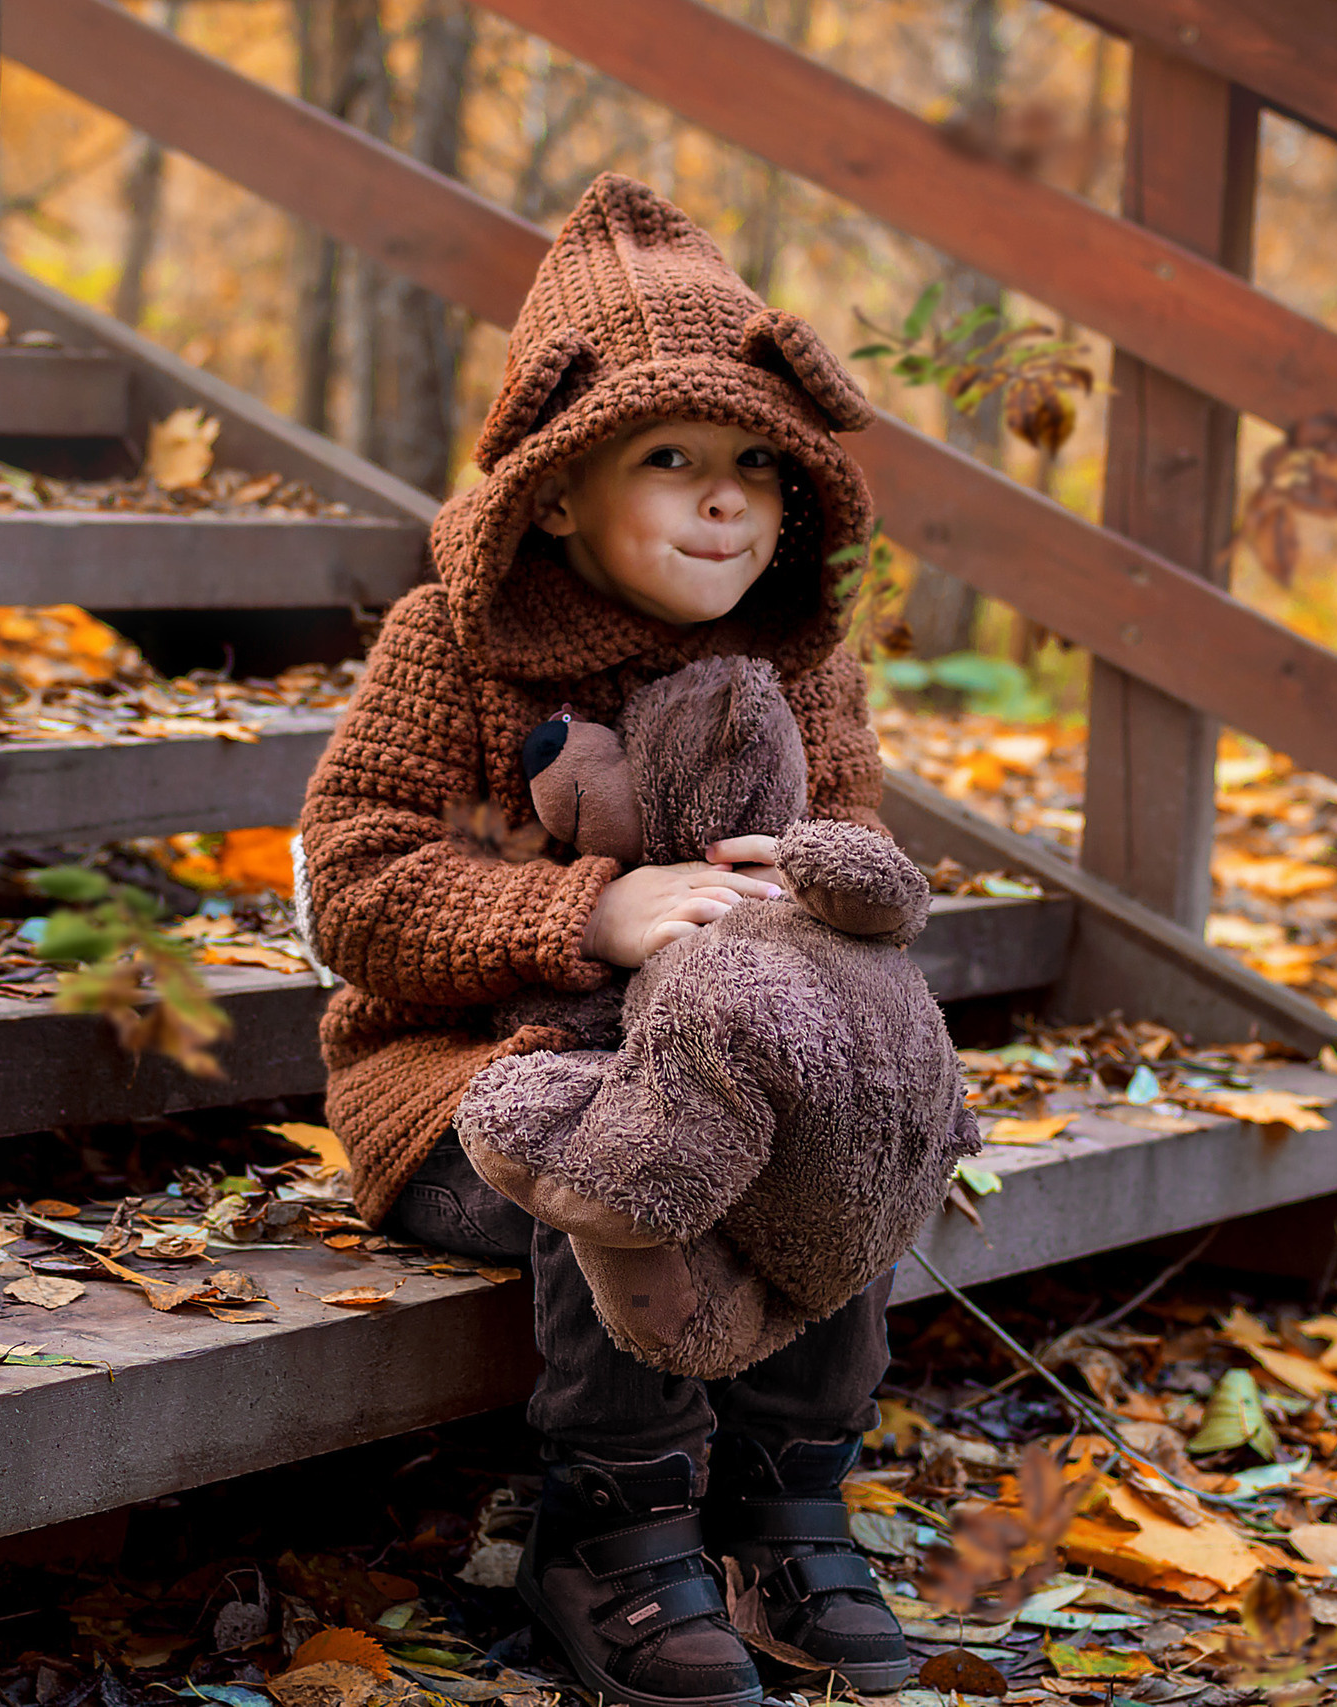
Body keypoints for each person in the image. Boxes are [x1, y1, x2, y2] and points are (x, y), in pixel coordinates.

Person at [298, 172, 908, 1707]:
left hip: (723, 1065)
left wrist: (818, 885)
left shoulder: (799, 665)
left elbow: (883, 867)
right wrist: (590, 910)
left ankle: (786, 1504)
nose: (727, 499)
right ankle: (612, 1529)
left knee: (835, 1115)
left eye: (759, 466)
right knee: (637, 1147)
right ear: (561, 488)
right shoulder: (456, 639)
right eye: (673, 460)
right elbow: (355, 884)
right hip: (469, 1091)